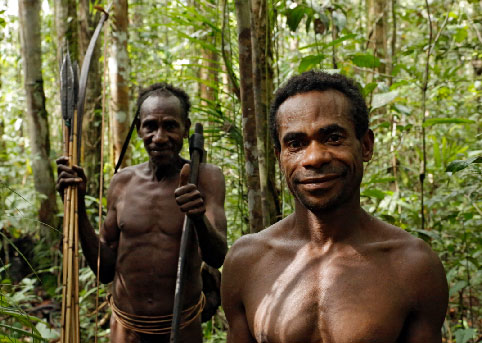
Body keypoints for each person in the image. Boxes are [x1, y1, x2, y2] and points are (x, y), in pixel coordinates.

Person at [221, 71, 448, 343]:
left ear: (365, 146)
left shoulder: (413, 266)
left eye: (332, 137)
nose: (314, 158)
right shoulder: (247, 261)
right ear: (280, 156)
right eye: (296, 143)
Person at [57, 83, 227, 343]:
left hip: (181, 330)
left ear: (185, 128)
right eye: (150, 126)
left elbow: (217, 256)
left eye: (170, 126)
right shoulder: (122, 183)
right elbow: (105, 270)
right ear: (138, 129)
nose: (159, 137)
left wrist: (197, 217)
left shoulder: (206, 178)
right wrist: (76, 206)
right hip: (127, 331)